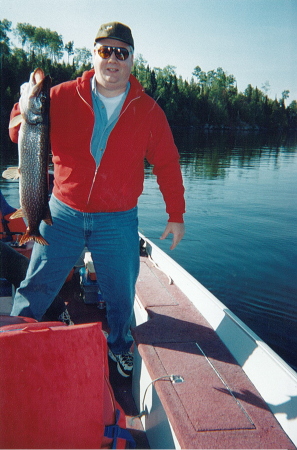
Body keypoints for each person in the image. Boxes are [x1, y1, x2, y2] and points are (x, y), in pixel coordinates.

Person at [9, 22, 185, 377]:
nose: (113, 59)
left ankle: (119, 346)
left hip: (117, 220)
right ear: (94, 54)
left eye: (121, 52)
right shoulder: (59, 96)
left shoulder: (149, 112)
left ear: (132, 60)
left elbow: (167, 163)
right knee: (37, 283)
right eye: (105, 50)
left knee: (120, 296)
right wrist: (22, 111)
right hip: (60, 211)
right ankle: (12, 339)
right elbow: (18, 126)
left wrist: (175, 213)